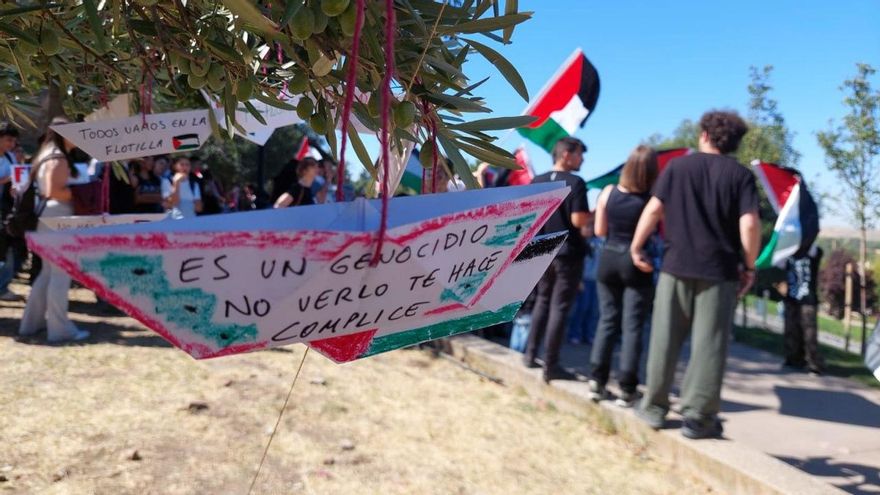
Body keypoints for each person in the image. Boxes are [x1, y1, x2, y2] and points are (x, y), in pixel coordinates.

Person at [630, 110, 760, 439]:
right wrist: (750, 264)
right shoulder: (741, 176)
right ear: (734, 142)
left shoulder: (677, 167)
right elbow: (749, 224)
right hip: (719, 270)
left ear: (704, 134)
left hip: (676, 266)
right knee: (709, 345)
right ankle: (698, 417)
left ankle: (654, 408)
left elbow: (654, 209)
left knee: (663, 338)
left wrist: (636, 246)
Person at [588, 145, 659, 407]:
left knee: (607, 320)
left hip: (608, 257)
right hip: (636, 261)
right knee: (632, 327)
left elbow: (599, 230)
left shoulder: (608, 192)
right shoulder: (652, 200)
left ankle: (596, 382)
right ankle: (627, 389)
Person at [523, 137, 590, 382]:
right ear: (565, 155)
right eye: (579, 154)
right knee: (559, 306)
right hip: (566, 252)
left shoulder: (536, 181)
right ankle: (551, 364)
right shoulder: (576, 183)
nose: (582, 159)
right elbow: (578, 222)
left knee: (542, 301)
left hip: (540, 248)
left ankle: (530, 354)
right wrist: (590, 221)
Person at [19, 117, 89, 342]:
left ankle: (31, 324)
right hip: (58, 216)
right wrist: (83, 193)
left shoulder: (45, 153)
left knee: (48, 273)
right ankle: (60, 329)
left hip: (47, 218)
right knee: (60, 274)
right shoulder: (58, 157)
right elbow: (52, 190)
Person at [783, 245, 825, 375]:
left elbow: (814, 249)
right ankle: (794, 358)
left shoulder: (814, 251)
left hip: (808, 299)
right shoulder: (788, 252)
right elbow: (778, 262)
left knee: (809, 333)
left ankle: (813, 364)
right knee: (791, 330)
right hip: (792, 298)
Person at [567, 222, 601, 346]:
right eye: (587, 226)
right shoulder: (581, 243)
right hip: (584, 279)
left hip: (596, 280)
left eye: (592, 227)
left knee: (593, 310)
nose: (590, 229)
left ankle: (589, 334)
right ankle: (574, 333)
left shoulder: (599, 242)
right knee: (582, 308)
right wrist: (578, 280)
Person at [0, 124, 24, 302]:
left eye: (14, 140)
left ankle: (3, 286)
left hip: (6, 209)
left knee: (8, 248)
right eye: (8, 139)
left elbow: (17, 179)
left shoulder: (10, 157)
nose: (12, 143)